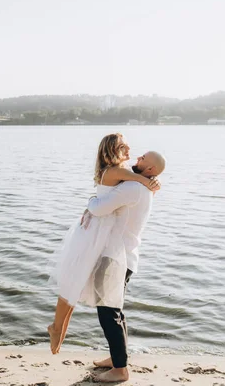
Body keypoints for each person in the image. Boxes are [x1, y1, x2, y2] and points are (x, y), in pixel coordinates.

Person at [47, 133, 160, 355]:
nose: (130, 150)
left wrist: (151, 179)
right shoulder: (118, 172)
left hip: (99, 231)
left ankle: (59, 330)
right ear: (111, 151)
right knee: (74, 281)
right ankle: (58, 329)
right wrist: (151, 181)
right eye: (123, 146)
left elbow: (118, 192)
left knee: (76, 282)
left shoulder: (120, 174)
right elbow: (137, 181)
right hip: (96, 232)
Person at [84, 150, 167, 383]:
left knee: (108, 313)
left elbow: (98, 208)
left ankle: (120, 370)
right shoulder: (141, 186)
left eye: (142, 159)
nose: (137, 159)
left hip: (115, 258)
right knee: (115, 311)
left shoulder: (133, 188)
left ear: (149, 170)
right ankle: (117, 358)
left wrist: (90, 200)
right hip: (125, 257)